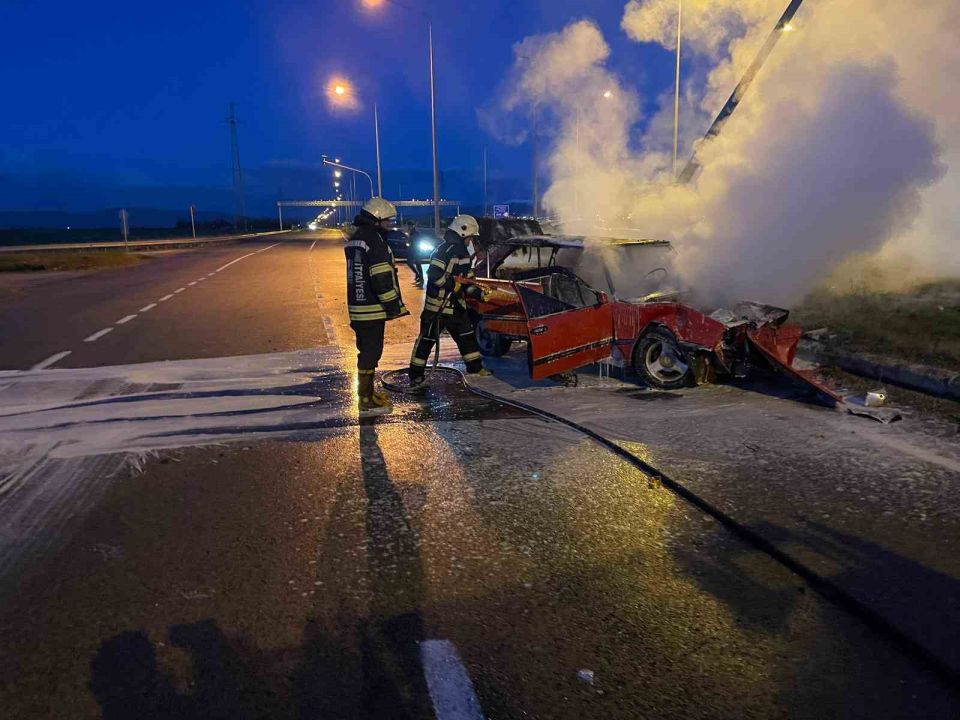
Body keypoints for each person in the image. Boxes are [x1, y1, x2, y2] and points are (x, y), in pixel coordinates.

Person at [408, 214, 491, 390]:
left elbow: (467, 281)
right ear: (462, 233)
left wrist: (479, 294)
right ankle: (416, 376)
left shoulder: (464, 255)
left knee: (467, 337)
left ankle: (475, 368)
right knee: (426, 341)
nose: (470, 241)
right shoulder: (443, 251)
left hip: (456, 307)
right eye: (470, 237)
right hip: (437, 307)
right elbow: (434, 276)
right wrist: (454, 284)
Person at [346, 197, 409, 416]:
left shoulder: (356, 239)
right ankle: (365, 399)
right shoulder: (375, 241)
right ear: (377, 219)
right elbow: (381, 277)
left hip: (358, 307)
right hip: (372, 308)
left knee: (366, 351)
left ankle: (368, 394)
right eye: (387, 221)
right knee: (371, 353)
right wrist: (393, 306)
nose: (388, 225)